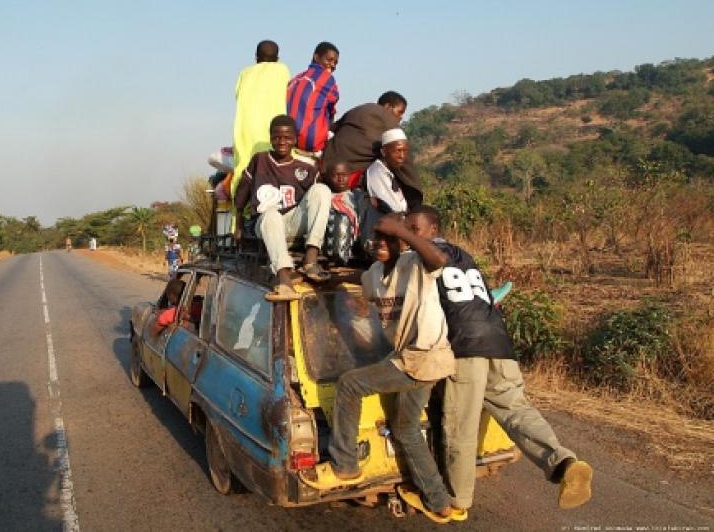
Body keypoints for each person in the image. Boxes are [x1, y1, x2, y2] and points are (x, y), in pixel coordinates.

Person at [405, 205, 594, 513]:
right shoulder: (464, 255)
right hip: (499, 342)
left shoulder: (417, 260)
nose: (408, 236)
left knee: (459, 427)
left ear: (432, 231)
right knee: (517, 410)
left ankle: (457, 500)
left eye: (413, 230)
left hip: (465, 348)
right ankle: (564, 463)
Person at [301, 214, 464, 524]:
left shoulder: (415, 264)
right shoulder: (374, 274)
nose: (380, 243)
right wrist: (327, 281)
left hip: (425, 356)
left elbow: (438, 259)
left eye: (387, 238)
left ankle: (345, 464)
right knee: (405, 430)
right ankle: (439, 500)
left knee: (349, 384)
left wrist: (401, 231)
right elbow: (353, 280)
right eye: (376, 238)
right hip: (407, 359)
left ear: (401, 242)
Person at [234, 114, 332, 301]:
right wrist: (238, 224)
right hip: (265, 223)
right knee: (271, 214)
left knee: (321, 190)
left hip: (293, 221)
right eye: (277, 137)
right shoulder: (260, 160)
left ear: (295, 139)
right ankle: (284, 279)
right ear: (270, 138)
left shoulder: (306, 167)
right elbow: (242, 192)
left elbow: (315, 202)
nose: (281, 142)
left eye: (287, 137)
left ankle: (311, 258)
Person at [322, 91, 423, 209]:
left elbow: (332, 128)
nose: (400, 118)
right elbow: (405, 165)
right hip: (347, 181)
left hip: (323, 167)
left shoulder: (360, 109)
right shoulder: (389, 122)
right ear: (388, 107)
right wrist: (416, 200)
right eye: (400, 112)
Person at [231, 40, 291, 199]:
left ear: (256, 57)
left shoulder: (245, 73)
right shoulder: (282, 70)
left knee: (243, 172)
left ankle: (238, 219)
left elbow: (237, 95)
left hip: (246, 133)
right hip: (273, 134)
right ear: (278, 58)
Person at [286, 41, 340, 155]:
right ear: (316, 57)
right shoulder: (327, 78)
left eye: (335, 62)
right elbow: (332, 107)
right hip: (310, 146)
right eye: (329, 60)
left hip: (288, 142)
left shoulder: (295, 78)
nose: (333, 65)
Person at [365, 128, 410, 214]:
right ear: (383, 152)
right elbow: (395, 208)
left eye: (405, 151)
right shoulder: (377, 172)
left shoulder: (389, 172)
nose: (402, 156)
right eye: (398, 151)